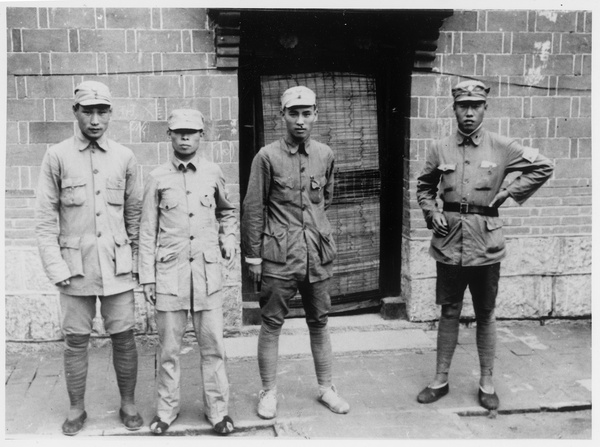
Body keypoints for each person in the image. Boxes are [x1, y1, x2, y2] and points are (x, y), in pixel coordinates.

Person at [415, 79, 554, 410]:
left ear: (484, 109)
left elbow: (544, 166)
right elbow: (424, 185)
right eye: (463, 106)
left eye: (475, 106)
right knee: (449, 310)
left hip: (486, 243)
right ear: (454, 109)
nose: (469, 112)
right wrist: (430, 209)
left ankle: (487, 381)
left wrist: (508, 193)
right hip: (448, 242)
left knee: (486, 313)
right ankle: (440, 379)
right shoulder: (439, 148)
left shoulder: (502, 146)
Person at [35, 81, 143, 435]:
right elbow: (45, 218)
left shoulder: (125, 157)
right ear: (75, 112)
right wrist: (55, 267)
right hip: (74, 269)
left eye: (102, 111)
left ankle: (127, 404)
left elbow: (135, 215)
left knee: (124, 336)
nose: (95, 120)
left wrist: (139, 263)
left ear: (111, 113)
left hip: (117, 266)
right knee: (76, 340)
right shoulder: (57, 155)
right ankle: (76, 408)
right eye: (88, 111)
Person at [241, 86, 350, 419]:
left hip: (316, 254)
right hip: (279, 256)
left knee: (320, 322)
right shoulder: (267, 157)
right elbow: (253, 208)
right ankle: (269, 392)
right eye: (294, 113)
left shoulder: (325, 154)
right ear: (282, 115)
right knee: (272, 323)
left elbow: (325, 199)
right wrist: (254, 256)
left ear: (315, 114)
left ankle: (327, 388)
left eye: (307, 113)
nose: (301, 121)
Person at [138, 109, 237, 435]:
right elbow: (146, 231)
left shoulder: (212, 173)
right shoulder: (157, 178)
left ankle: (218, 412)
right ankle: (166, 413)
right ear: (169, 135)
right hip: (170, 277)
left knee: (213, 348)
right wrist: (148, 278)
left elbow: (227, 212)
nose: (184, 137)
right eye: (178, 132)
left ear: (201, 135)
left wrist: (229, 239)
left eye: (191, 132)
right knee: (168, 351)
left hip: (207, 276)